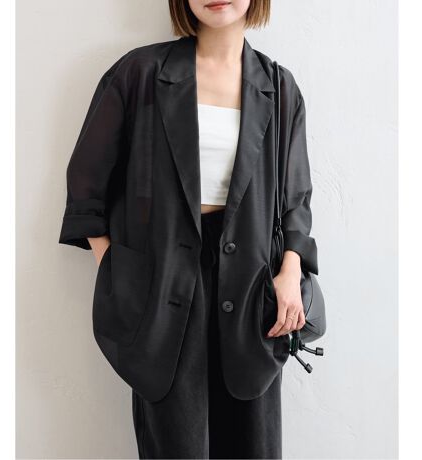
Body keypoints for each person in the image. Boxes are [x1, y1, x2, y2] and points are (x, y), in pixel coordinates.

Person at [59, 0, 319, 458]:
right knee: (175, 443)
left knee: (252, 442)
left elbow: (295, 198)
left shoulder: (279, 87)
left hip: (252, 284)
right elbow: (86, 183)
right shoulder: (140, 74)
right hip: (162, 282)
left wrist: (291, 271)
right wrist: (119, 273)